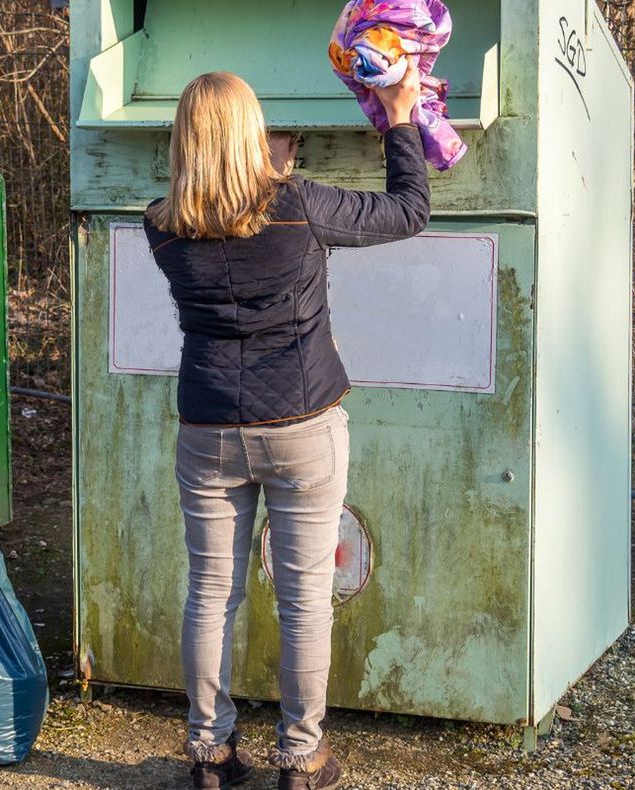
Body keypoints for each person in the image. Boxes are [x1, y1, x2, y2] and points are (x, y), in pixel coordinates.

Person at [143, 60, 428, 790]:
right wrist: (401, 119)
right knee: (304, 599)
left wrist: (262, 171)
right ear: (254, 135)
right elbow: (407, 211)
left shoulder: (161, 226)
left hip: (208, 430)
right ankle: (301, 758)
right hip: (302, 426)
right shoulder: (299, 204)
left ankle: (210, 756)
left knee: (211, 594)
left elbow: (225, 220)